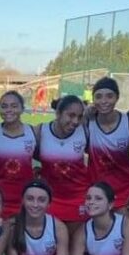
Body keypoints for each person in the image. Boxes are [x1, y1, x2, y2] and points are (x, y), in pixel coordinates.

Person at [36, 95, 90, 233]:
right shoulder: (40, 131)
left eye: (79, 116)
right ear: (58, 113)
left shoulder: (85, 131)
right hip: (50, 198)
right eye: (71, 115)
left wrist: (128, 157)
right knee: (51, 242)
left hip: (78, 198)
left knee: (74, 243)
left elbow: (100, 154)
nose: (75, 121)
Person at [87, 77, 129, 214]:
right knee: (96, 227)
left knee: (124, 227)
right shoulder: (87, 124)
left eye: (109, 96)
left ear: (117, 98)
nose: (104, 101)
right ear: (93, 99)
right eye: (98, 96)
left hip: (124, 191)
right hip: (96, 191)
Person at [0, 91, 37, 219]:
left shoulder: (34, 132)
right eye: (4, 106)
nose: (9, 110)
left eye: (14, 106)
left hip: (25, 197)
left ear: (22, 109)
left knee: (21, 231)